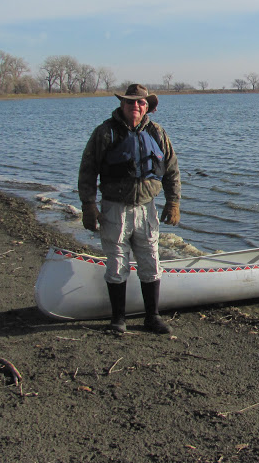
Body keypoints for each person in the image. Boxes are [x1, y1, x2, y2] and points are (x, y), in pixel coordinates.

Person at [78, 83, 181, 335]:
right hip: (114, 209)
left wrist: (173, 202)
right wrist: (89, 205)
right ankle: (118, 319)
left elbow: (171, 169)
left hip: (147, 209)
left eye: (140, 102)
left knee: (151, 262)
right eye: (130, 102)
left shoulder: (157, 132)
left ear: (148, 107)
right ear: (122, 105)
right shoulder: (105, 132)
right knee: (117, 264)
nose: (135, 106)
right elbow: (88, 170)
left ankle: (152, 316)